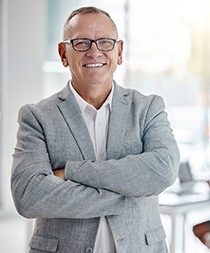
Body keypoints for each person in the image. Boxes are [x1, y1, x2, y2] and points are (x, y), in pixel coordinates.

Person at [11, 6, 180, 253]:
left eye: (105, 42)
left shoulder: (147, 108)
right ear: (63, 53)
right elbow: (29, 195)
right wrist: (128, 193)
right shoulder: (36, 117)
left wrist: (70, 171)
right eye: (81, 43)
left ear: (119, 51)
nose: (94, 51)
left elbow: (163, 170)